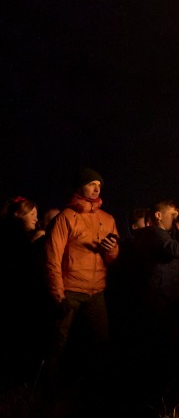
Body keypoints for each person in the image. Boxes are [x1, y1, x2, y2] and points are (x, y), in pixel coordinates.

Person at [41, 168, 119, 397]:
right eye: (91, 184)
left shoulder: (107, 219)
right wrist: (58, 295)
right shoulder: (66, 217)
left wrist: (112, 250)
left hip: (96, 291)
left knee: (100, 343)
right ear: (79, 187)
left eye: (99, 185)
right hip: (70, 290)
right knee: (58, 343)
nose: (96, 188)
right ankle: (47, 392)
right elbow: (52, 258)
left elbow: (112, 258)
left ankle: (93, 391)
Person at [134, 200, 179, 408]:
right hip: (161, 298)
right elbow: (175, 250)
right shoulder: (156, 234)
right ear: (158, 215)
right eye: (173, 215)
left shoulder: (153, 235)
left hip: (161, 296)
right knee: (162, 348)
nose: (175, 220)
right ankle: (158, 399)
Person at [2, 196, 45, 386]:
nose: (36, 218)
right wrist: (36, 242)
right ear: (19, 214)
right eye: (32, 214)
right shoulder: (14, 237)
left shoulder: (23, 236)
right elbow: (19, 265)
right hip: (16, 297)